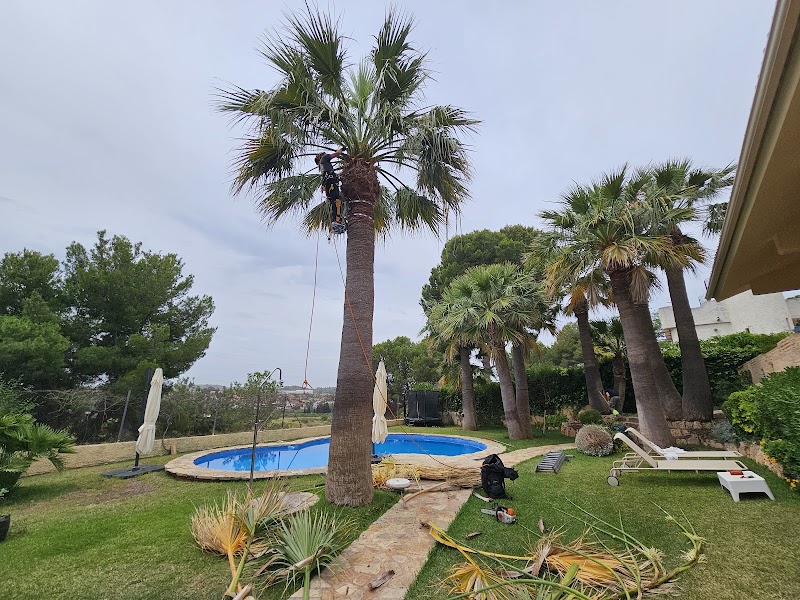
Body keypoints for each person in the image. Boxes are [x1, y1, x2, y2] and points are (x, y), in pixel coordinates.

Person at [315, 148, 346, 234]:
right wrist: (342, 149)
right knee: (336, 201)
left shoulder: (323, 167)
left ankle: (336, 221)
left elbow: (333, 175)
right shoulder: (324, 158)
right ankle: (337, 221)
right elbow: (337, 154)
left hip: (328, 185)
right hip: (331, 183)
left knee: (333, 202)